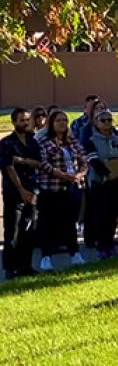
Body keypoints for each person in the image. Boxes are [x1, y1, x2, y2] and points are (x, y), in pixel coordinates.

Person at [35, 111, 88, 271]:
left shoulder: (70, 140)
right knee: (48, 224)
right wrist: (63, 175)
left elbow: (83, 158)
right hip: (50, 189)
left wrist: (79, 174)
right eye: (58, 120)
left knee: (69, 223)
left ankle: (75, 255)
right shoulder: (43, 141)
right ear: (51, 123)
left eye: (64, 120)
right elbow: (42, 163)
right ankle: (46, 258)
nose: (62, 123)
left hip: (70, 187)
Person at [1, 108, 43, 278]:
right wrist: (21, 190)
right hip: (14, 192)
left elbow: (38, 163)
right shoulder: (6, 143)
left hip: (33, 191)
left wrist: (21, 160)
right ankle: (10, 268)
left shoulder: (33, 141)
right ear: (14, 122)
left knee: (29, 230)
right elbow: (9, 168)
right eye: (21, 120)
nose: (25, 123)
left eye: (27, 120)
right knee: (13, 232)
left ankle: (26, 266)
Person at [85, 108, 118, 259]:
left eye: (109, 120)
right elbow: (94, 160)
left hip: (117, 182)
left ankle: (110, 244)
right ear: (96, 123)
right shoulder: (91, 140)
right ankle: (101, 247)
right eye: (103, 120)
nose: (107, 123)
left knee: (113, 214)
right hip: (100, 183)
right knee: (101, 215)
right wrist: (109, 174)